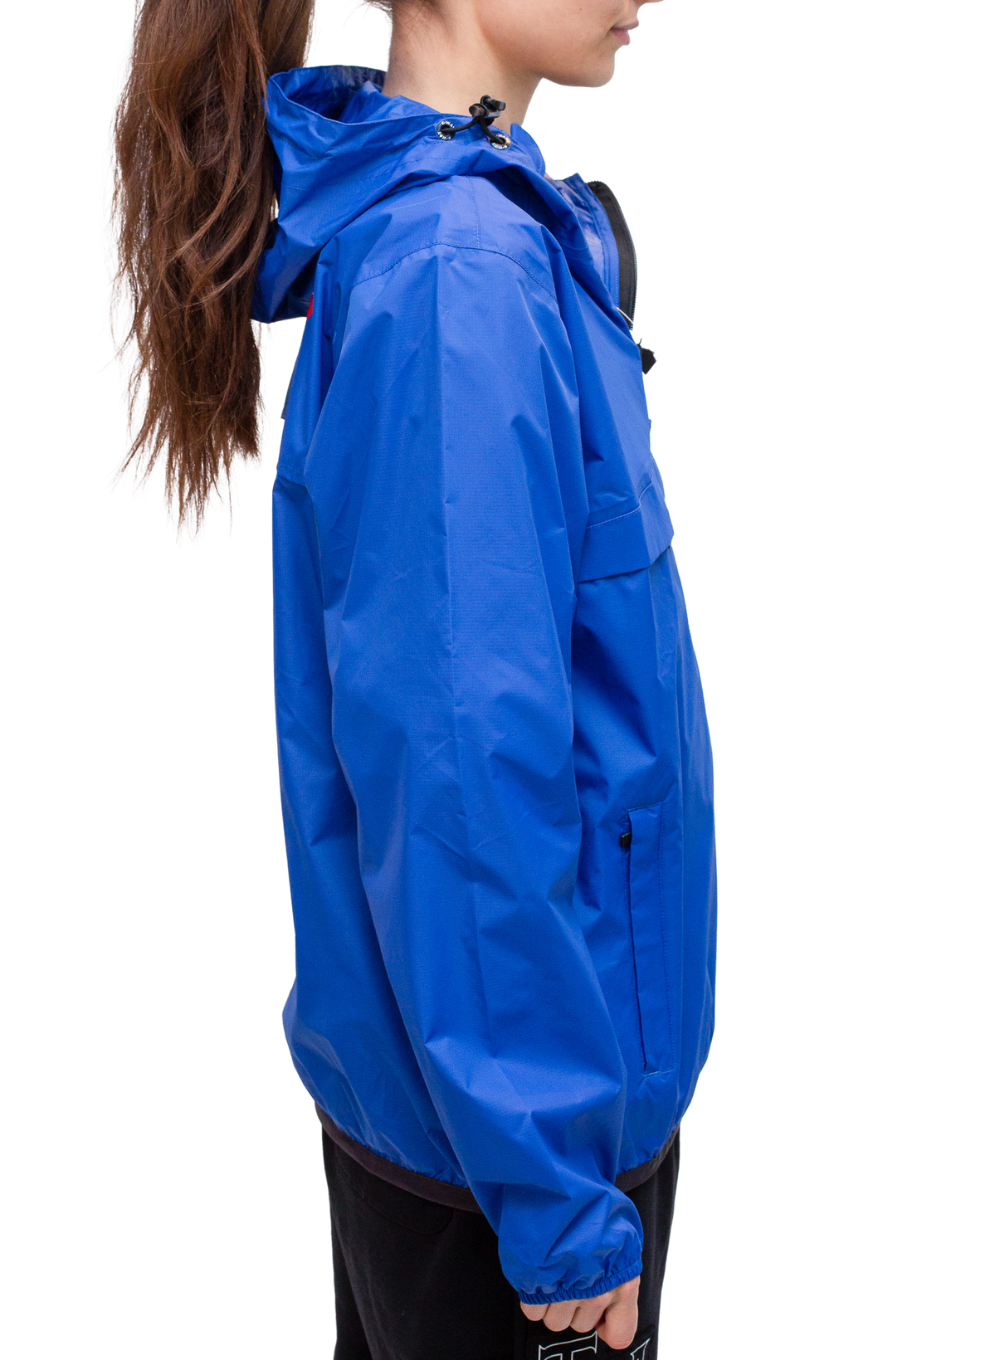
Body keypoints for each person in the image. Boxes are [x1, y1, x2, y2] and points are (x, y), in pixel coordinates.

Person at [114, 0, 717, 1355]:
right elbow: (460, 782)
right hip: (520, 1160)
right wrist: (560, 1208)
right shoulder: (459, 272)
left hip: (485, 1121)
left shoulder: (470, 227)